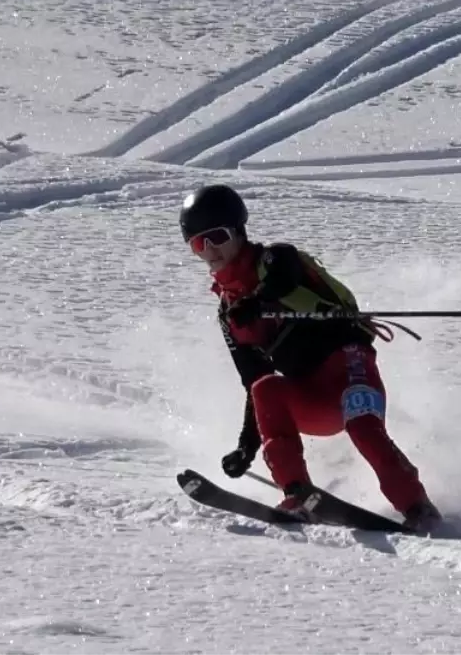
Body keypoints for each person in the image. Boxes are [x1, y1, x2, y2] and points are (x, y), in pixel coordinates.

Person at [180, 184, 442, 533]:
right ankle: (296, 494)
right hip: (312, 397)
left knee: (363, 426)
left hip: (348, 368)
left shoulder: (274, 258)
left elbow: (283, 279)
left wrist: (256, 303)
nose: (210, 250)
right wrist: (247, 446)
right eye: (199, 244)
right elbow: (255, 384)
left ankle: (417, 506)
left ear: (239, 232)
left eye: (216, 236)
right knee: (266, 388)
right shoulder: (230, 313)